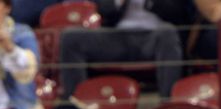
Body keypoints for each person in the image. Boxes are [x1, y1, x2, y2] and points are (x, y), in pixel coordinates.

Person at [59, 0, 190, 99]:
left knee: (168, 33)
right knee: (71, 37)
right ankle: (74, 106)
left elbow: (179, 12)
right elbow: (103, 8)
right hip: (119, 36)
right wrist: (118, 2)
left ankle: (169, 105)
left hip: (154, 36)